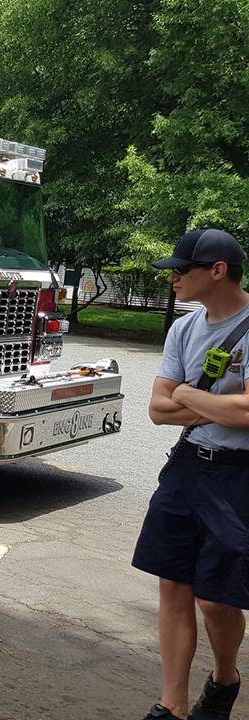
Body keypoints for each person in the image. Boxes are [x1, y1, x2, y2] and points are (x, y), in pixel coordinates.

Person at [136, 228, 249, 720]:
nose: (174, 278)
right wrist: (217, 406)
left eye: (182, 269)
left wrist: (187, 394)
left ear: (217, 270)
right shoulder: (184, 328)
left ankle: (225, 677)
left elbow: (247, 416)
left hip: (238, 477)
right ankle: (173, 706)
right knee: (173, 584)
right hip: (186, 469)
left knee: (215, 599)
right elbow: (157, 409)